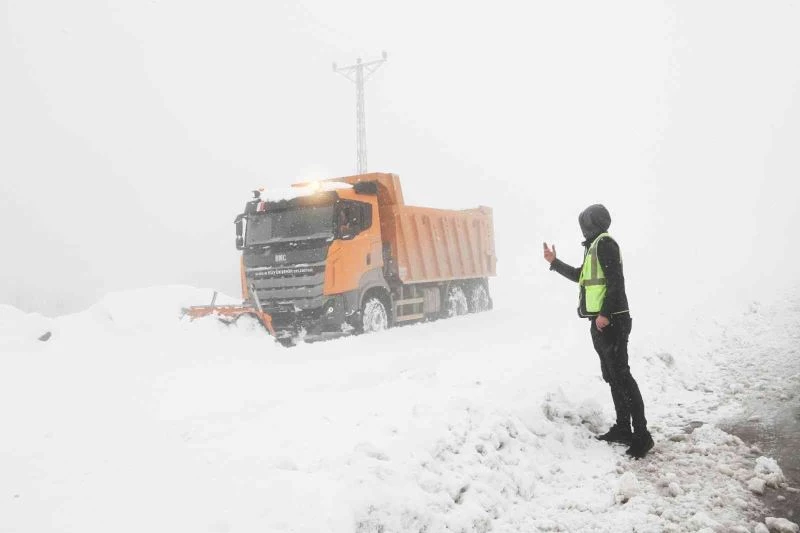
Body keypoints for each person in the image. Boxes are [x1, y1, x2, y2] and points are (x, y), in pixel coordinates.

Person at [543, 204, 653, 459]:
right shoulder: (593, 247)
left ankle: (642, 436)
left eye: (585, 221)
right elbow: (581, 276)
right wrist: (554, 262)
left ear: (593, 223)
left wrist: (604, 313)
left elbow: (616, 281)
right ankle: (624, 428)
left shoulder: (605, 244)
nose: (583, 226)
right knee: (613, 377)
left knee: (623, 377)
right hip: (602, 322)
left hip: (612, 321)